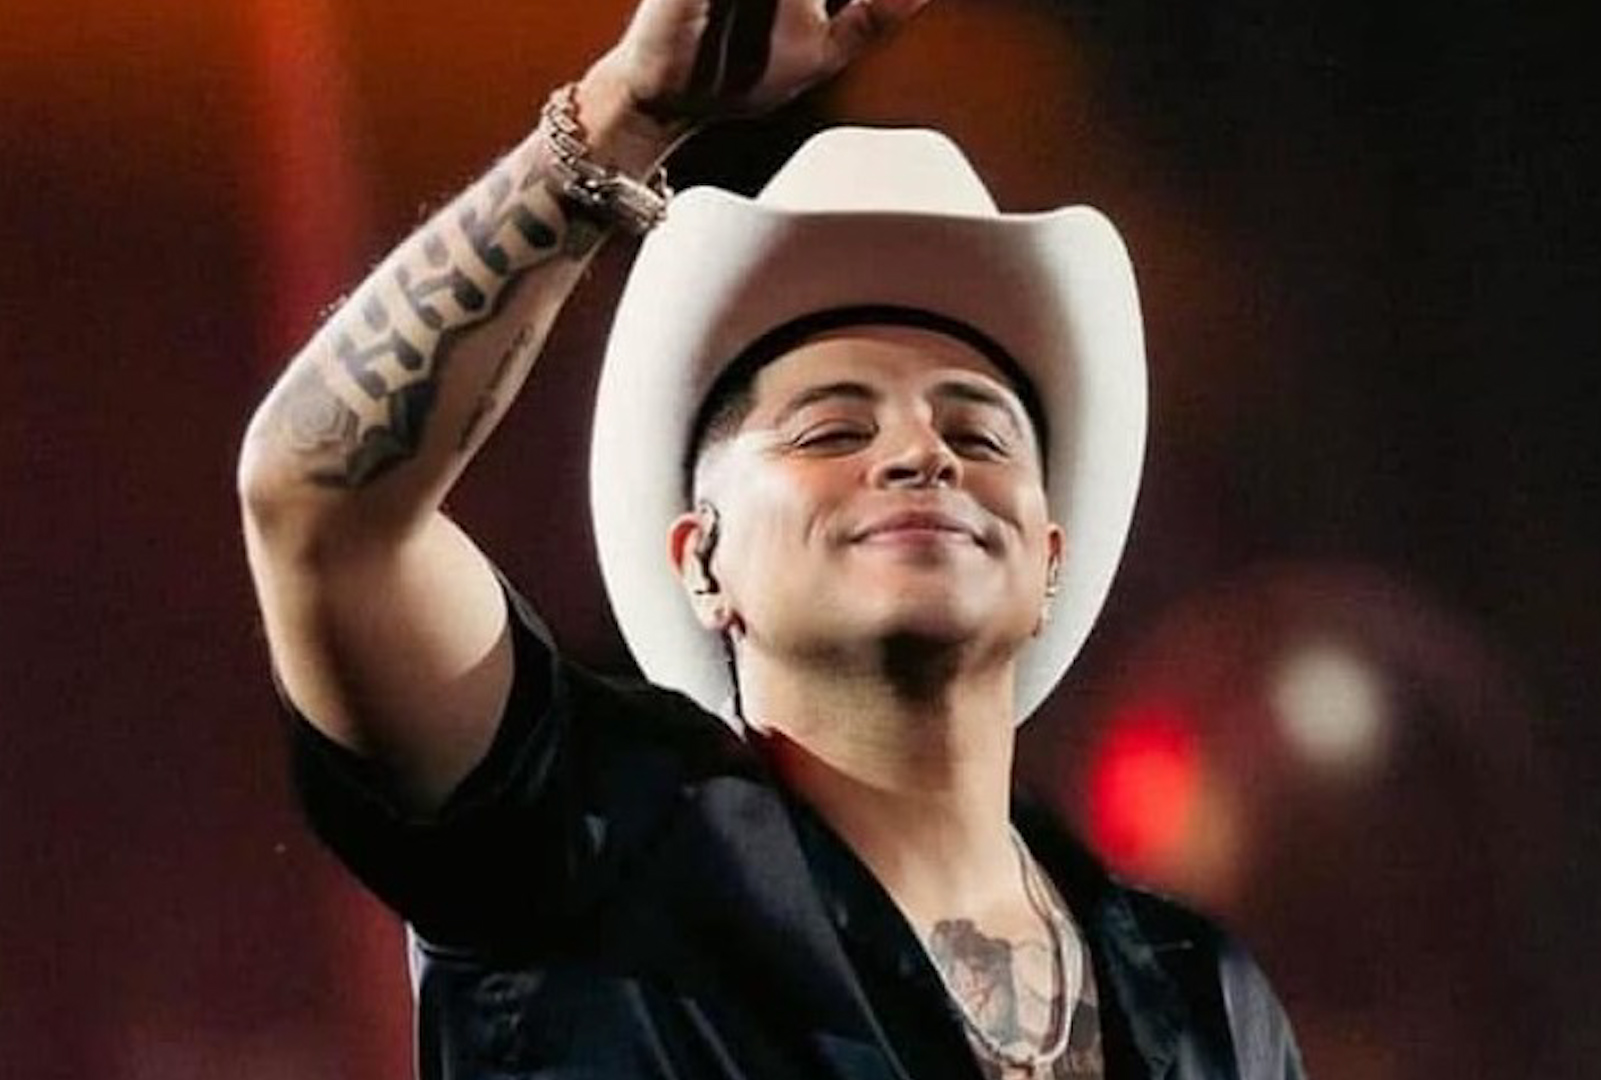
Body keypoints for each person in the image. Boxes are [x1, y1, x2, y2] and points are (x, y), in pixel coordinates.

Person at [237, 1, 1308, 1077]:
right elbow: (318, 503)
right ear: (702, 561)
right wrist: (626, 114)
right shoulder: (586, 841)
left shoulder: (1199, 996)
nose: (921, 453)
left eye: (978, 433)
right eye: (833, 429)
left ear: (1049, 561)